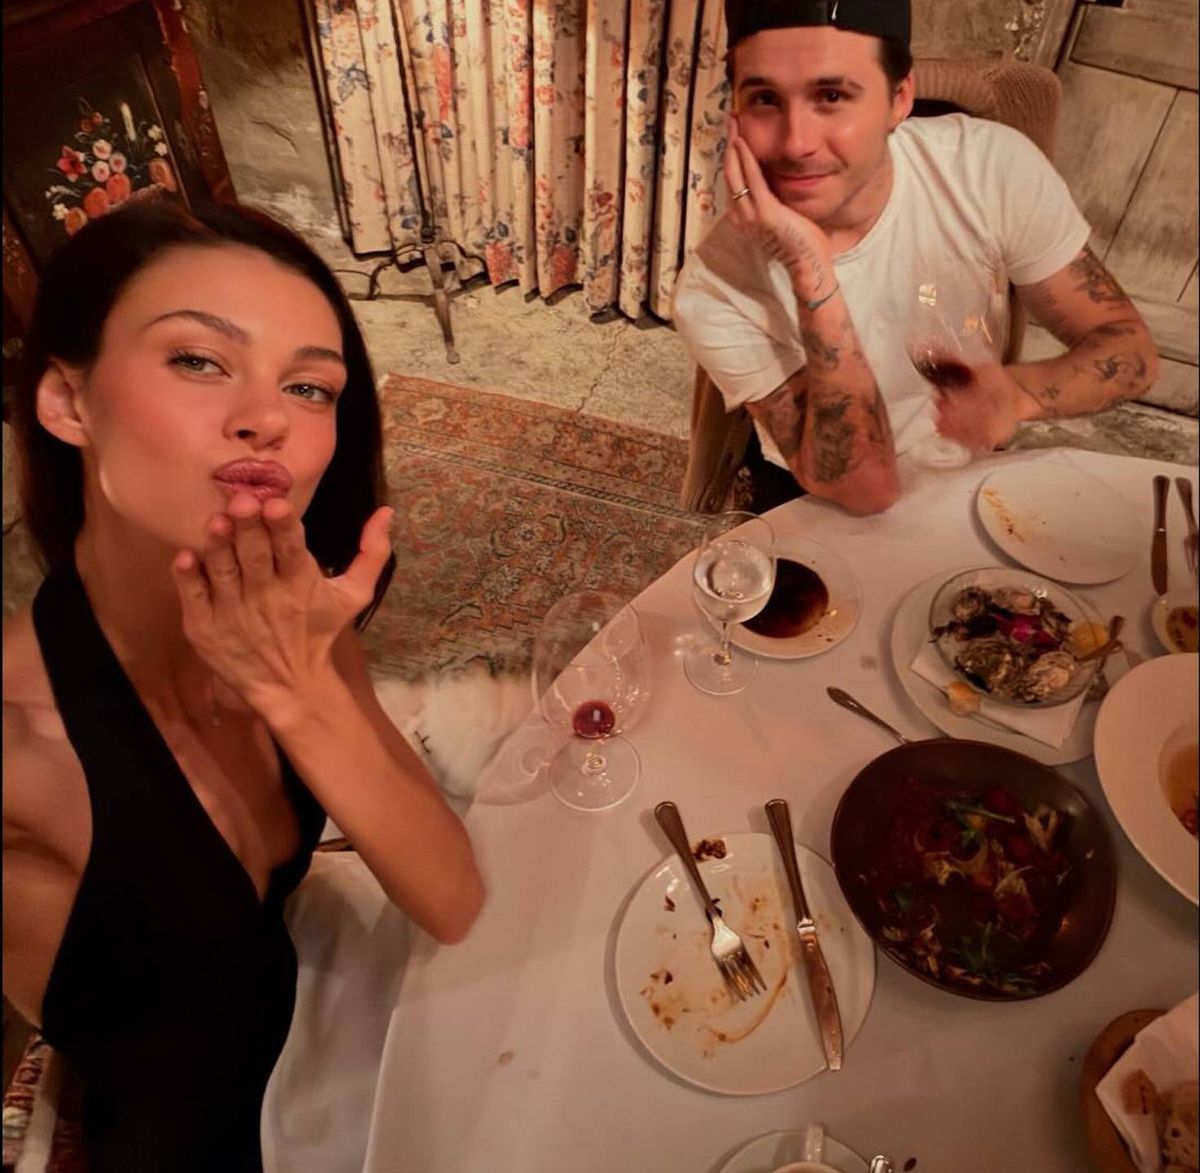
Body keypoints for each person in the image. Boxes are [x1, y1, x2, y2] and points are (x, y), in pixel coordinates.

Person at [1, 198, 484, 1171]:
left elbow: (453, 899)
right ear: (67, 401)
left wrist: (298, 691)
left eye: (311, 387)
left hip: (323, 1045)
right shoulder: (19, 753)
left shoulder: (287, 614)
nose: (267, 417)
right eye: (197, 359)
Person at [672, 0, 1160, 515]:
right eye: (765, 98)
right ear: (736, 117)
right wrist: (811, 273)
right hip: (820, 495)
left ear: (898, 98)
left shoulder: (989, 170)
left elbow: (1133, 352)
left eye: (832, 95)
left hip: (969, 479)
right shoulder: (714, 287)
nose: (797, 143)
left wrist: (1016, 396)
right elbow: (866, 489)